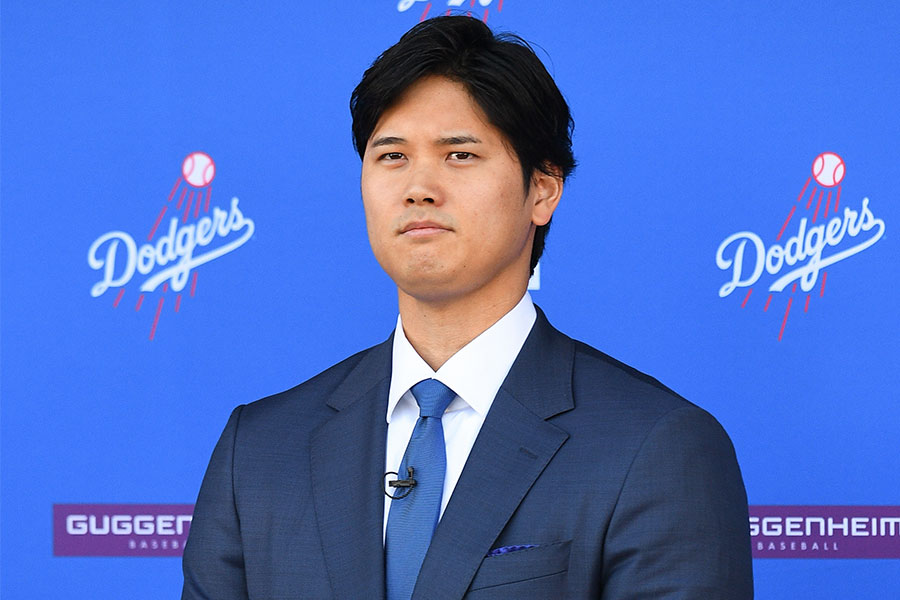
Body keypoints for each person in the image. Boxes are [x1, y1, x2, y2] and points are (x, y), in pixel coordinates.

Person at [182, 16, 753, 599]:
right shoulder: (258, 449)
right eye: (392, 156)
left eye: (459, 155)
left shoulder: (657, 447)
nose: (419, 187)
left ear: (543, 188)